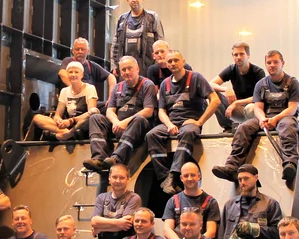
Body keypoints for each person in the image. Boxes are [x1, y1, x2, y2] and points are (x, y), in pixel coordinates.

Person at [212, 50, 299, 189]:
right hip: (265, 117)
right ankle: (231, 167)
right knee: (244, 127)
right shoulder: (261, 84)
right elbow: (258, 107)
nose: (272, 65)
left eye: (275, 62)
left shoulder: (292, 82)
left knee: (287, 127)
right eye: (269, 62)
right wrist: (262, 119)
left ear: (282, 63)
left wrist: (276, 118)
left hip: (285, 117)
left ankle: (290, 165)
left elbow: (292, 108)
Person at [146, 50, 221, 195]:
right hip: (171, 123)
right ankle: (164, 178)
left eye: (176, 60)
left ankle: (174, 174)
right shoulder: (164, 85)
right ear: (166, 65)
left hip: (189, 122)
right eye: (170, 61)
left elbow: (215, 100)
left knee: (187, 132)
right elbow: (161, 111)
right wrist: (169, 125)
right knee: (151, 135)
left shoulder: (196, 78)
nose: (173, 63)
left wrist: (199, 122)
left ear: (183, 61)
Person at [83, 56, 158, 172]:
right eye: (123, 70)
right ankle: (98, 158)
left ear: (137, 69)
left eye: (130, 68)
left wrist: (124, 122)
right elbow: (110, 110)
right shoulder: (118, 87)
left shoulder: (148, 85)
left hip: (138, 128)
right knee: (96, 118)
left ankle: (117, 158)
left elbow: (148, 111)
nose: (127, 72)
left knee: (139, 119)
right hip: (118, 126)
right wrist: (116, 122)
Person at [32, 62, 99, 140]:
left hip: (82, 124)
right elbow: (57, 115)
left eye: (76, 72)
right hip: (68, 126)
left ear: (82, 75)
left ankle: (61, 135)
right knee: (37, 118)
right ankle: (67, 134)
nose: (73, 75)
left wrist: (71, 121)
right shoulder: (64, 91)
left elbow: (92, 113)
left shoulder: (90, 88)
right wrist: (59, 121)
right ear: (67, 74)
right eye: (70, 72)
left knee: (89, 118)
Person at [211, 42, 266, 132]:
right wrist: (226, 89)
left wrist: (236, 103)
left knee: (250, 108)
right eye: (235, 55)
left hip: (252, 109)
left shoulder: (258, 72)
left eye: (241, 54)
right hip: (237, 110)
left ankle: (253, 127)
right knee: (213, 94)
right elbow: (209, 85)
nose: (238, 57)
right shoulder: (231, 69)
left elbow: (258, 98)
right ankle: (228, 127)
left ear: (248, 55)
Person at [161, 162, 221, 239]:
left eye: (192, 175)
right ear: (181, 178)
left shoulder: (211, 202)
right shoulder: (173, 201)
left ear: (199, 176)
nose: (189, 178)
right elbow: (167, 230)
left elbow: (211, 232)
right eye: (186, 175)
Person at [111, 0, 166, 75]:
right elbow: (115, 44)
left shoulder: (152, 17)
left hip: (148, 67)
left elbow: (160, 43)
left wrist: (159, 64)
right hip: (126, 68)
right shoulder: (122, 19)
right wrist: (114, 66)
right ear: (127, 0)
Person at [58, 37, 115, 102]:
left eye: (83, 49)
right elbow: (62, 73)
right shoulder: (68, 61)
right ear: (73, 51)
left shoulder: (92, 66)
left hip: (89, 101)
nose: (80, 51)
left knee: (109, 107)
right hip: (71, 101)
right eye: (77, 49)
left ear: (88, 51)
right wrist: (77, 91)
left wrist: (111, 98)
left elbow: (111, 77)